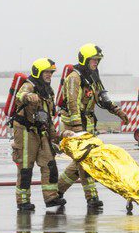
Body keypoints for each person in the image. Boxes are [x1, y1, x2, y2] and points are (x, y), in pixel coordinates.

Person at [56, 43, 129, 212]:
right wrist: (78, 129)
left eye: (98, 60)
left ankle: (57, 191)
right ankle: (92, 197)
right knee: (86, 160)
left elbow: (103, 98)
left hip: (87, 123)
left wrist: (119, 112)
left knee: (82, 160)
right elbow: (73, 103)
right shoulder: (74, 78)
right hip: (74, 124)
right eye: (93, 60)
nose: (96, 63)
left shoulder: (93, 77)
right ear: (85, 60)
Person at [12, 58, 66, 211]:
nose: (49, 75)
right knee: (25, 167)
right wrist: (27, 96)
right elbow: (19, 96)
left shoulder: (48, 91)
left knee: (49, 164)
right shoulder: (29, 85)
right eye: (47, 72)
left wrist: (54, 134)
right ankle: (23, 201)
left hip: (41, 132)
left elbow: (48, 115)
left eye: (51, 72)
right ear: (38, 72)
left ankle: (51, 198)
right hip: (25, 131)